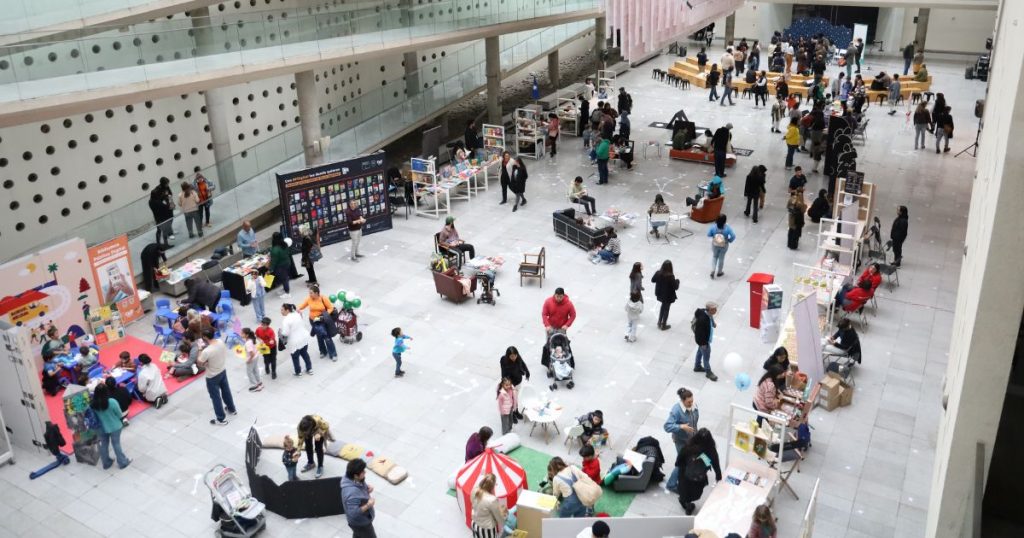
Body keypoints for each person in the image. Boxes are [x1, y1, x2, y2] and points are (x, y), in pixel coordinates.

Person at [675, 428, 721, 515]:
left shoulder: (689, 447)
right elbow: (715, 464)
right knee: (694, 492)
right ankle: (688, 506)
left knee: (684, 490)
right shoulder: (711, 451)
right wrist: (718, 476)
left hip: (685, 474)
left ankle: (684, 502)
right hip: (699, 477)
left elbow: (679, 461)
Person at [198, 328, 236, 426]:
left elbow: (200, 363)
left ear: (205, 337)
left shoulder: (206, 351)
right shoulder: (220, 341)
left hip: (212, 376)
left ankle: (220, 418)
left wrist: (199, 348)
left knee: (215, 397)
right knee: (226, 391)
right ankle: (232, 409)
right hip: (222, 370)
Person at [663, 387, 699, 492]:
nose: (691, 403)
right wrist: (681, 427)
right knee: (682, 462)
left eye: (692, 401)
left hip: (691, 439)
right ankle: (671, 484)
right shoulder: (676, 410)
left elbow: (695, 423)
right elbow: (667, 426)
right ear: (683, 401)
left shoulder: (694, 406)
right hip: (681, 442)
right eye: (688, 402)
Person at [91, 383, 132, 470]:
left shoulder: (93, 404)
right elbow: (120, 414)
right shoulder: (112, 402)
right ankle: (122, 462)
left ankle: (106, 463)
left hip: (101, 428)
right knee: (116, 444)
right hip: (115, 426)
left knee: (104, 444)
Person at [298, 284, 338, 362]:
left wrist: (324, 315)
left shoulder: (323, 298)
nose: (309, 294)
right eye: (309, 293)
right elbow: (302, 305)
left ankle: (333, 354)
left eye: (311, 293)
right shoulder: (309, 299)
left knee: (327, 337)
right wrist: (297, 309)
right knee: (319, 337)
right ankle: (322, 351)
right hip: (313, 321)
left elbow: (330, 308)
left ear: (316, 293)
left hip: (322, 320)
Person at [341, 459, 377, 538]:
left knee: (358, 535)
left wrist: (367, 488)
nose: (365, 472)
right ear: (355, 475)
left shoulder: (352, 478)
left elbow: (360, 484)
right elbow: (354, 513)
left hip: (358, 524)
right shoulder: (351, 492)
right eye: (362, 472)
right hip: (361, 524)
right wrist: (368, 505)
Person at [280, 303, 313, 376]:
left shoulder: (286, 320)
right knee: (305, 354)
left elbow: (285, 333)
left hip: (294, 341)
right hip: (303, 338)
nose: (281, 311)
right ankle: (309, 368)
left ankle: (298, 372)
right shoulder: (297, 314)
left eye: (282, 310)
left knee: (295, 357)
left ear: (287, 310)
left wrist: (280, 332)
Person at [471, 473, 507, 538]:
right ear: (492, 487)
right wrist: (504, 514)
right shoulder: (492, 499)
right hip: (487, 529)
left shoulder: (474, 490)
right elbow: (499, 518)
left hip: (474, 523)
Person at [297, 414, 334, 478]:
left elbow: (327, 426)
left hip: (318, 429)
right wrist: (298, 451)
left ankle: (320, 466)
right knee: (308, 446)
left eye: (305, 432)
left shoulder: (319, 421)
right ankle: (311, 463)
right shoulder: (300, 428)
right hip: (308, 430)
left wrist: (320, 434)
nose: (304, 433)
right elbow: (301, 438)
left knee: (318, 448)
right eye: (304, 432)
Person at [692, 302, 719, 381]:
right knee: (706, 356)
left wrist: (713, 323)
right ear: (710, 310)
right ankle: (708, 372)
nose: (716, 310)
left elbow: (710, 317)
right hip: (704, 341)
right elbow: (699, 333)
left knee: (700, 352)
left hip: (703, 341)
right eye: (714, 309)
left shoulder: (705, 312)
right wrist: (703, 344)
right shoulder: (703, 320)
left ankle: (697, 366)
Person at [499, 346, 530, 411]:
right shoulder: (504, 360)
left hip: (518, 381)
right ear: (508, 356)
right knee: (511, 399)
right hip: (510, 384)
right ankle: (512, 414)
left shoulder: (518, 357)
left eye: (515, 355)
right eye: (512, 356)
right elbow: (503, 374)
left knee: (516, 398)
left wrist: (527, 372)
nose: (514, 357)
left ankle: (516, 411)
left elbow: (523, 364)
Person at [651, 260, 679, 330]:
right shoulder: (670, 276)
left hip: (660, 294)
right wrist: (677, 281)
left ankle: (659, 322)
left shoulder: (658, 273)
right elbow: (676, 287)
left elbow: (653, 280)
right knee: (666, 309)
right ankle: (663, 325)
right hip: (668, 296)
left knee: (662, 307)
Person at [707, 215, 736, 279]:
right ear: (725, 221)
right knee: (721, 258)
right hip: (724, 245)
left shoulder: (713, 227)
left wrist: (714, 236)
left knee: (714, 256)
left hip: (715, 245)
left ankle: (713, 270)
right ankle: (719, 272)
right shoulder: (727, 228)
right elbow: (733, 236)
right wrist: (729, 240)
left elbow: (709, 234)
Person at [240, 327, 264, 392]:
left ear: (247, 335)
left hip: (252, 358)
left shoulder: (248, 343)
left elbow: (252, 354)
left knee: (249, 372)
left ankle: (255, 385)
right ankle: (259, 382)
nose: (240, 334)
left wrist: (249, 360)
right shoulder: (251, 339)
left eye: (242, 333)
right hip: (256, 356)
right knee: (255, 370)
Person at [269, 232, 292, 298]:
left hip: (280, 266)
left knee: (284, 278)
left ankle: (287, 293)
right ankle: (285, 289)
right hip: (287, 263)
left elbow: (273, 262)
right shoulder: (285, 244)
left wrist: (270, 269)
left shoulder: (275, 249)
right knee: (284, 277)